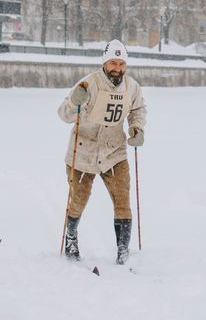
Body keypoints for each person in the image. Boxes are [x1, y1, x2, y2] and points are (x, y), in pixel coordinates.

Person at [57, 40, 147, 265]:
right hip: (83, 151)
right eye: (113, 63)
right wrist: (74, 102)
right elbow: (64, 114)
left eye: (121, 64)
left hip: (114, 152)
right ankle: (71, 237)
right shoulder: (88, 84)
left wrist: (137, 128)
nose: (117, 68)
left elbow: (138, 109)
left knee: (122, 200)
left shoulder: (132, 87)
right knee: (78, 199)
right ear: (105, 63)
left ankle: (123, 251)